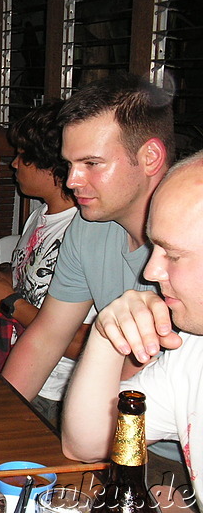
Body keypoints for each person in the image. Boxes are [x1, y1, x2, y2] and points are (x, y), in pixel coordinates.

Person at [1, 73, 175, 402]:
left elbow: (134, 375)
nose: (72, 181)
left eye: (91, 163)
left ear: (150, 158)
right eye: (69, 164)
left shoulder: (192, 241)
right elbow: (47, 337)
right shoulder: (88, 225)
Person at [0, 100, 94, 424]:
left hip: (54, 394)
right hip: (10, 360)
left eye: (23, 156)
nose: (14, 164)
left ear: (53, 167)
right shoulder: (39, 216)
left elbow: (85, 344)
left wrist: (9, 302)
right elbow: (38, 283)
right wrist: (5, 278)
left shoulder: (88, 232)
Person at [62, 152, 203, 508]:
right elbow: (87, 443)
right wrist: (107, 333)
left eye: (172, 255)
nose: (150, 272)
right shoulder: (190, 350)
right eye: (154, 247)